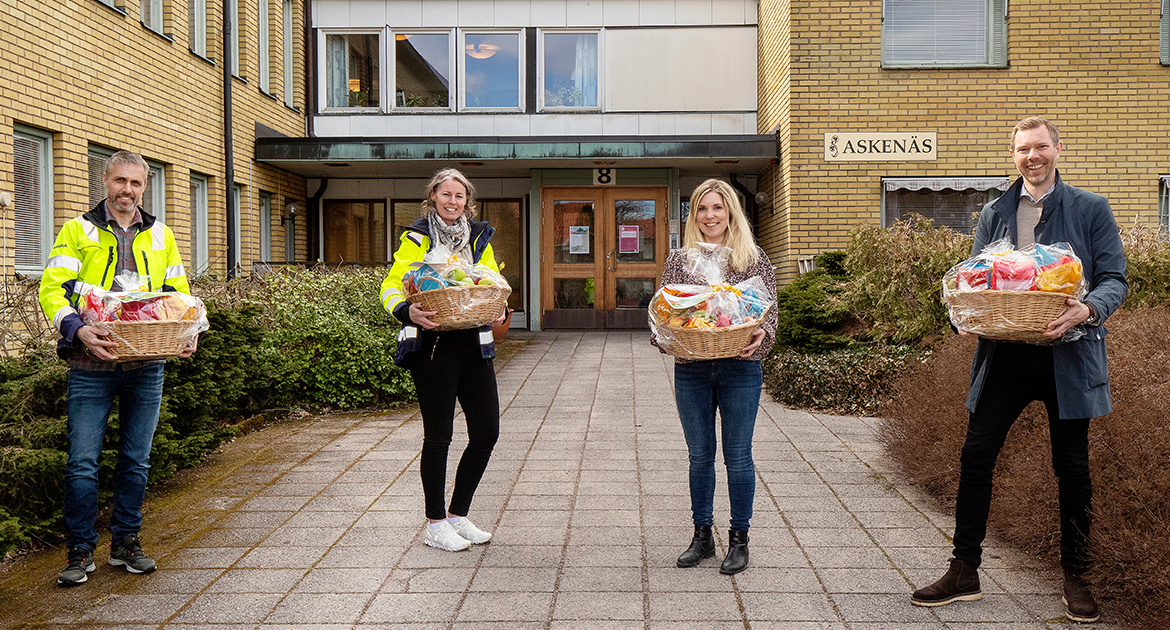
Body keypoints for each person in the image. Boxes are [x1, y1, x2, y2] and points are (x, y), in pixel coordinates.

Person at [910, 117, 1127, 624]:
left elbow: (1115, 278)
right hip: (1005, 353)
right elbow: (975, 275)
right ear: (1013, 156)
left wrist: (1087, 309)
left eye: (1041, 147)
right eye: (1023, 149)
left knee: (1071, 468)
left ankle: (1076, 576)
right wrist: (963, 313)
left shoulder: (1090, 208)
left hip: (1069, 355)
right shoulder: (994, 211)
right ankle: (964, 570)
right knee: (975, 456)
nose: (1033, 157)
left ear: (1058, 149)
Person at [38, 151, 198, 586]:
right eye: (120, 181)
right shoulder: (79, 230)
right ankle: (80, 550)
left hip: (146, 363)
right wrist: (76, 328)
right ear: (105, 180)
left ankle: (126, 543)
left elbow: (177, 294)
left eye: (136, 184)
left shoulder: (161, 234)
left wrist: (187, 329)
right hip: (90, 364)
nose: (127, 190)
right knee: (82, 462)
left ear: (145, 187)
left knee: (136, 460)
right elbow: (52, 288)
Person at [652, 179, 778, 575]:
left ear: (730, 213)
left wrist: (763, 335)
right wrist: (666, 339)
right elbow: (664, 314)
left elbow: (770, 314)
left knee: (738, 456)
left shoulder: (753, 257)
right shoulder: (679, 260)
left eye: (717, 208)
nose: (710, 216)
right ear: (694, 216)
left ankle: (739, 539)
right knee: (699, 457)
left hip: (740, 366)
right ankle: (702, 536)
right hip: (691, 367)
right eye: (703, 209)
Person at [379, 168, 507, 552]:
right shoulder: (417, 237)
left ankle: (457, 514)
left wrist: (497, 306)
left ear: (468, 201)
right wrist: (406, 311)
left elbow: (492, 281)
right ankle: (435, 523)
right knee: (439, 436)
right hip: (433, 345)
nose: (453, 202)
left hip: (474, 342)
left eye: (460, 196)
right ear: (433, 196)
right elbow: (389, 285)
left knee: (487, 432)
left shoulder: (479, 237)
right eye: (446, 194)